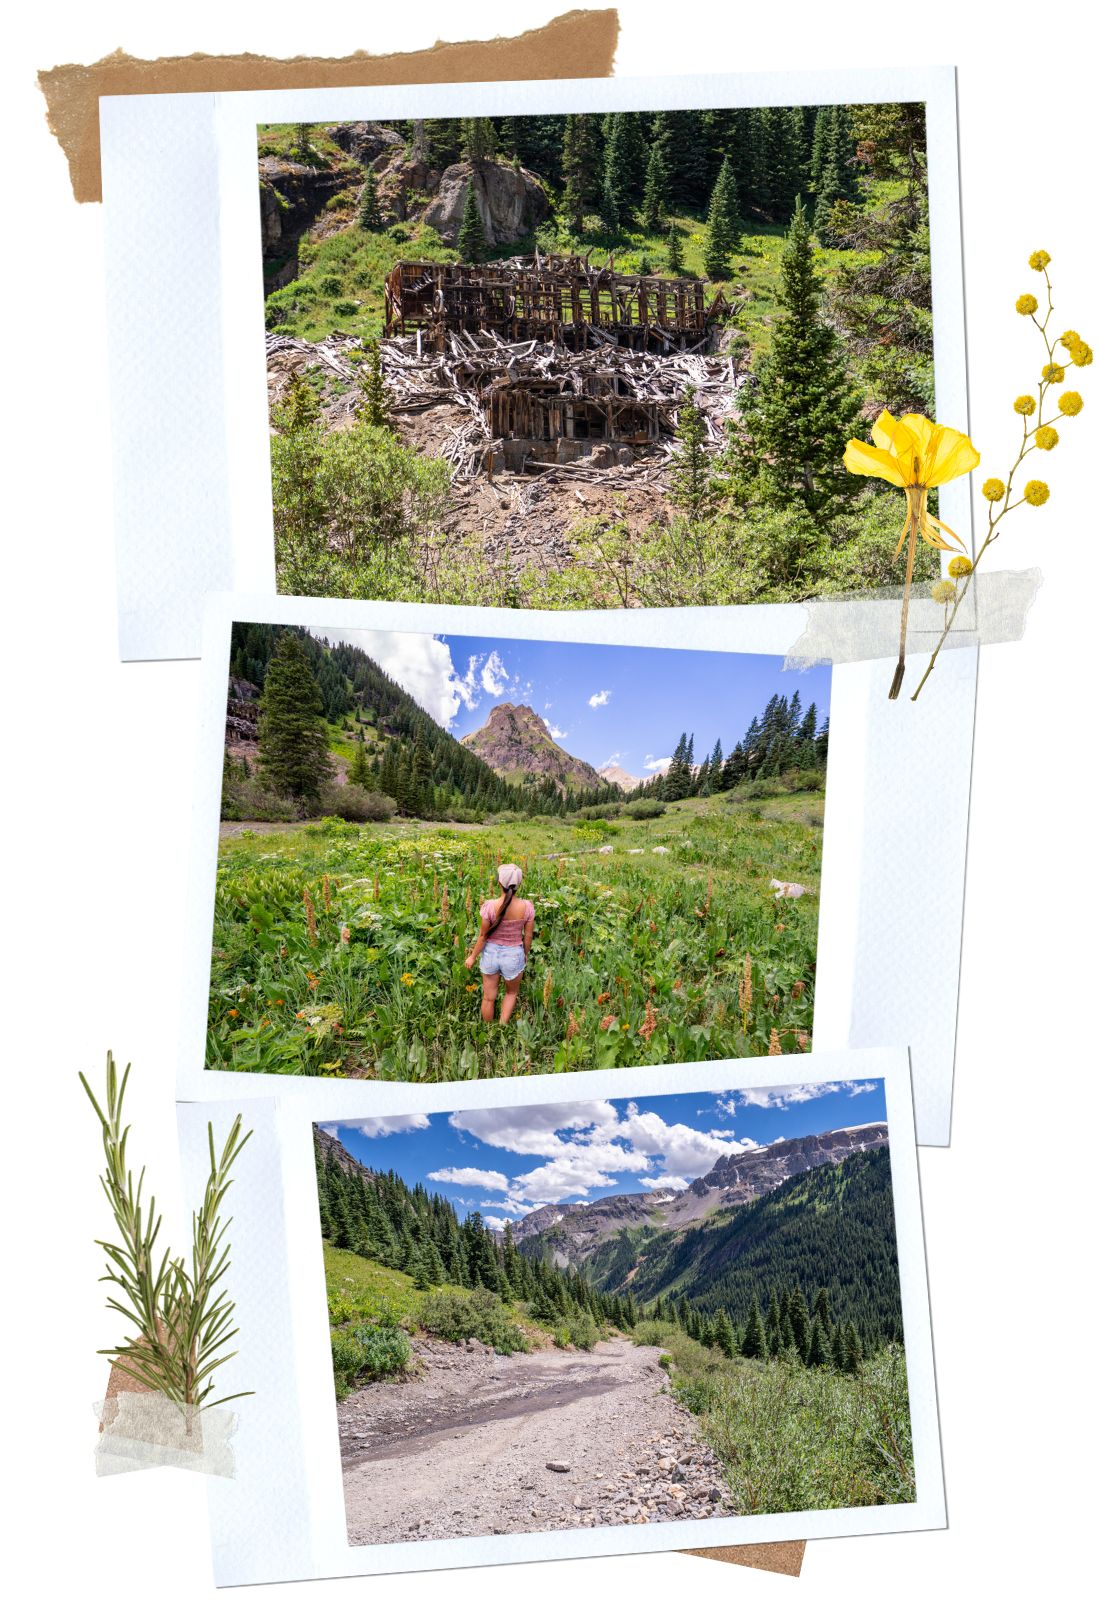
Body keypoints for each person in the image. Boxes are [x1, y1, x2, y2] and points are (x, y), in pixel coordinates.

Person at [464, 863, 535, 1024]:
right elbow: (528, 937)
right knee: (511, 993)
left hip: (490, 955)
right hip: (513, 955)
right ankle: (502, 1026)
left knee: (488, 998)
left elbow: (483, 936)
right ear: (519, 884)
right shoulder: (527, 908)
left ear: (499, 883)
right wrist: (525, 954)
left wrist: (472, 957)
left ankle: (489, 1030)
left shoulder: (489, 906)